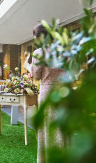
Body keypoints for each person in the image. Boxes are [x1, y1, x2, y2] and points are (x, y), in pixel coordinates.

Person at [30, 23, 66, 163]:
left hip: (47, 92)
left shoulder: (39, 52)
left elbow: (36, 75)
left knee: (46, 127)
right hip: (63, 91)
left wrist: (29, 66)